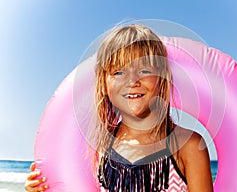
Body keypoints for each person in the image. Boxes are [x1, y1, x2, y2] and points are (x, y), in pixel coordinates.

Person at [25, 24, 213, 192]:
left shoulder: (188, 146)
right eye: (118, 72)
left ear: (161, 77)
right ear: (104, 84)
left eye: (144, 70)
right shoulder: (97, 149)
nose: (132, 81)